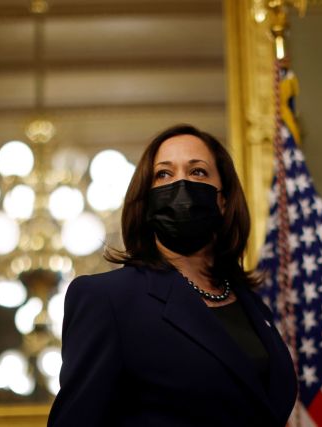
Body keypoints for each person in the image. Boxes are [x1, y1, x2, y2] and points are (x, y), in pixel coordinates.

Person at [47, 124, 297, 427]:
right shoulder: (107, 299)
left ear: (223, 199)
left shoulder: (250, 303)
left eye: (198, 172)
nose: (181, 185)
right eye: (164, 174)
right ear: (147, 199)